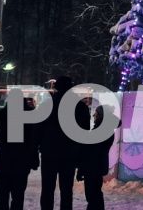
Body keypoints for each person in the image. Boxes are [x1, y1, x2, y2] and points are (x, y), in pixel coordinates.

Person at [0, 95, 40, 210]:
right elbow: (35, 141)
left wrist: (2, 137)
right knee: (18, 197)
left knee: (2, 197)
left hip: (3, 161)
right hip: (22, 162)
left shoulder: (2, 115)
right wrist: (34, 160)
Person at [39, 76, 80, 210]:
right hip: (69, 154)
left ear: (56, 87)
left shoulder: (47, 104)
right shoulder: (79, 106)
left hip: (49, 152)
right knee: (66, 189)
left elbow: (38, 129)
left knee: (47, 188)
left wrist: (38, 147)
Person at [78, 103, 114, 210]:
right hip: (97, 167)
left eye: (96, 114)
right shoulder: (106, 130)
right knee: (95, 194)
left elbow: (90, 153)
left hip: (93, 168)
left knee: (92, 195)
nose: (94, 116)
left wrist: (82, 169)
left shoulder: (100, 132)